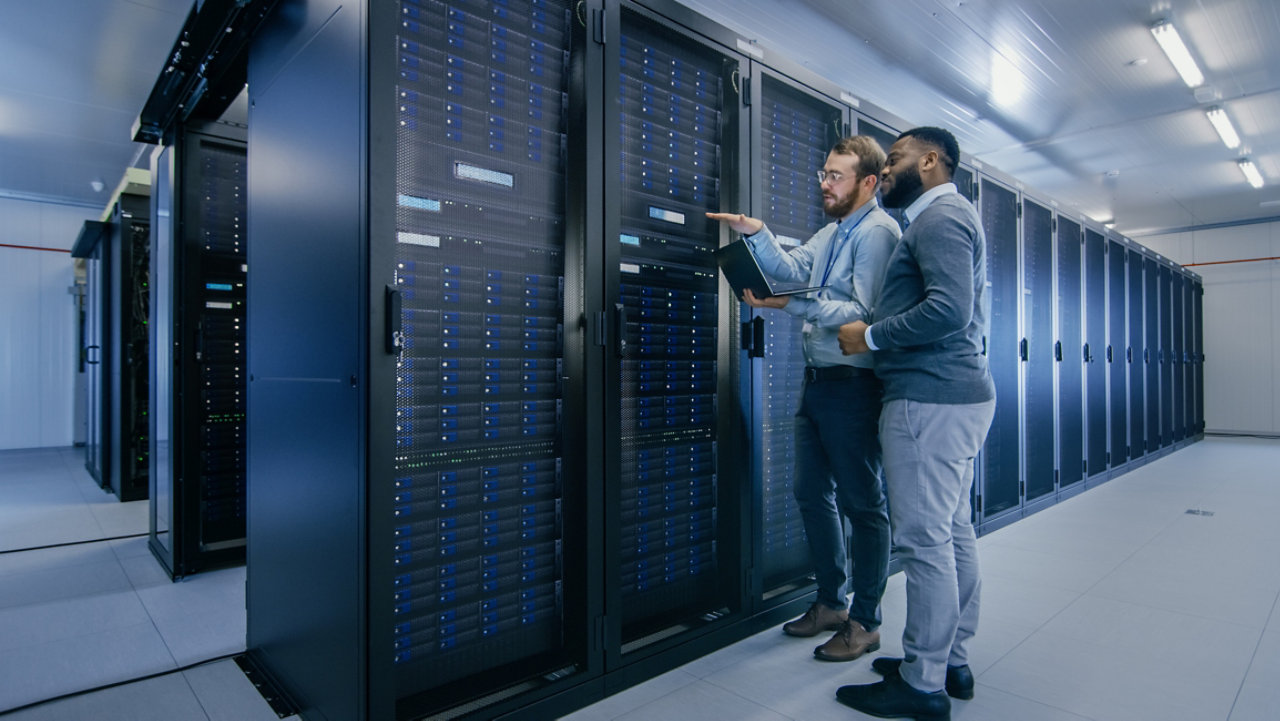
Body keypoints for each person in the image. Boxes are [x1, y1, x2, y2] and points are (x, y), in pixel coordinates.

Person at [707, 135, 899, 663]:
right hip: (819, 383)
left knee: (864, 505)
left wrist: (789, 306)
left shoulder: (877, 233)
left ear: (866, 182)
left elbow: (863, 309)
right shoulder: (834, 232)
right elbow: (793, 268)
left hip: (855, 386)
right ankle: (831, 604)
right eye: (823, 173)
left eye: (835, 176)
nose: (824, 184)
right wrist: (757, 234)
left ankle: (866, 622)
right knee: (812, 495)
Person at [834, 126, 995, 720]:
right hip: (955, 396)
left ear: (931, 161)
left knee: (925, 542)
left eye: (896, 159)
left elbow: (949, 310)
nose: (888, 169)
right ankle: (948, 659)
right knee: (952, 532)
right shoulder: (948, 218)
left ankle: (922, 684)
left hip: (929, 399)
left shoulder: (939, 218)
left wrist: (870, 334)